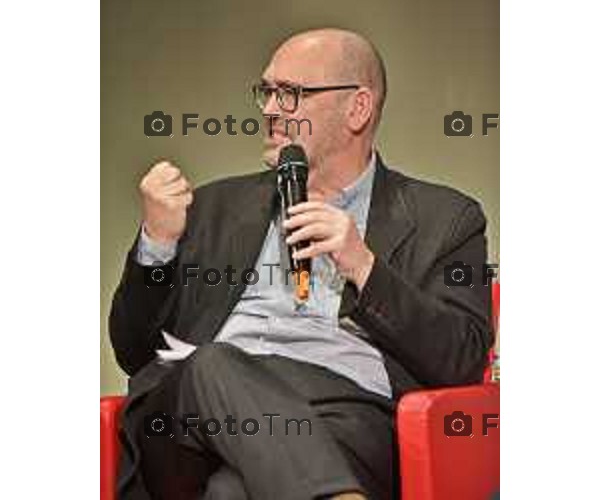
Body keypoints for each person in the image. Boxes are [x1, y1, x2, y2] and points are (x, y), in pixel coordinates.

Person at [109, 28, 494, 500]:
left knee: (231, 493)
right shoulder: (212, 207)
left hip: (341, 417)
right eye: (267, 92)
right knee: (212, 363)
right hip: (189, 424)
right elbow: (133, 351)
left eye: (291, 94)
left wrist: (364, 266)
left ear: (358, 108)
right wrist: (158, 244)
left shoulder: (446, 219)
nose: (270, 109)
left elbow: (463, 359)